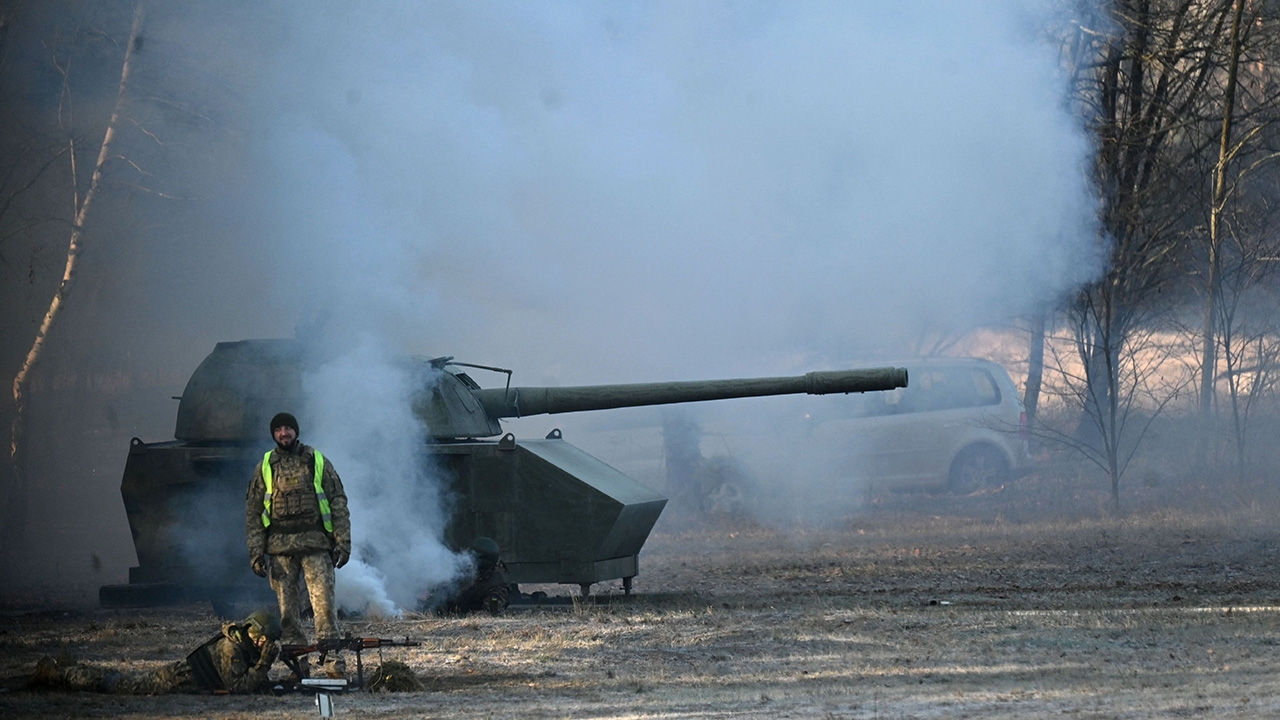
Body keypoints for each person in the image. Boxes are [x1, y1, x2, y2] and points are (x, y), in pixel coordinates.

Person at [244, 411, 351, 679]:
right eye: (278, 429)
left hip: (315, 545)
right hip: (280, 550)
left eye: (288, 428)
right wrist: (256, 552)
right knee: (288, 616)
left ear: (296, 431)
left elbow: (338, 501)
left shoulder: (316, 460)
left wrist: (343, 542)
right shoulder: (265, 466)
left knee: (324, 610)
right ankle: (298, 667)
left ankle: (333, 666)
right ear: (273, 434)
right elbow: (253, 512)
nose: (283, 433)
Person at [29, 610, 281, 694]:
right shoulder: (231, 648)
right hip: (172, 682)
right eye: (263, 640)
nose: (263, 645)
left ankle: (71, 668)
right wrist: (264, 664)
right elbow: (238, 688)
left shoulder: (241, 644)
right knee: (118, 685)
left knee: (120, 679)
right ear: (251, 631)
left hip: (180, 678)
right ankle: (60, 675)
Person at [439, 537, 510, 615]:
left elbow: (490, 613)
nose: (468, 561)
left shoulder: (496, 586)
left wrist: (463, 616)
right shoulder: (471, 571)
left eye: (472, 558)